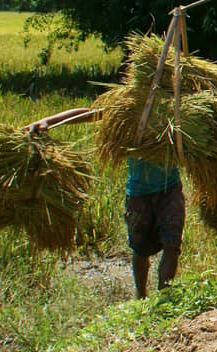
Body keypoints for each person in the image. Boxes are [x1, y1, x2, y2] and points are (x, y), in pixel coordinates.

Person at [26, 106, 183, 299]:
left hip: (170, 189)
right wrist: (49, 121)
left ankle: (164, 298)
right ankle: (141, 297)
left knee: (172, 244)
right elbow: (91, 113)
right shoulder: (134, 105)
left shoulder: (171, 107)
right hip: (139, 192)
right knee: (140, 249)